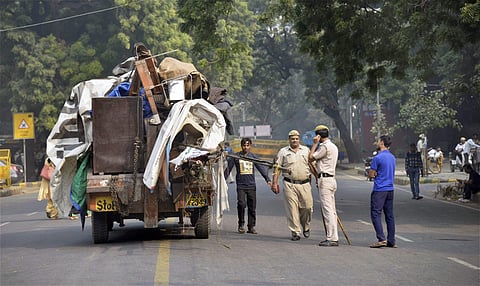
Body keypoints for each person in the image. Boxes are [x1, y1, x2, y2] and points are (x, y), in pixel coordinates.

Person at [271, 130, 313, 241]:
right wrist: (274, 183)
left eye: (296, 138)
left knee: (307, 207)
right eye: (292, 138)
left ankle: (306, 226)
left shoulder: (305, 150)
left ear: (299, 139)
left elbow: (312, 166)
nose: (294, 140)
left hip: (305, 184)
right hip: (289, 184)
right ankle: (295, 231)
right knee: (292, 209)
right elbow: (277, 168)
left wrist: (319, 179)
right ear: (289, 139)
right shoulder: (283, 152)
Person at [224, 138, 271, 234]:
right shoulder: (236, 157)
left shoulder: (253, 157)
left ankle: (251, 226)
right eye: (244, 145)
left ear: (250, 146)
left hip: (251, 185)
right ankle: (241, 224)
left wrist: (267, 179)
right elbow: (228, 169)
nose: (246, 147)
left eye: (247, 145)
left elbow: (261, 167)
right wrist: (223, 180)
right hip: (241, 185)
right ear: (241, 146)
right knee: (241, 204)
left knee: (252, 207)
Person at [308, 125, 339, 247]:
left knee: (328, 211)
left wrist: (314, 144)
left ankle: (331, 238)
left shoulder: (324, 147)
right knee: (332, 210)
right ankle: (333, 236)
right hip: (330, 179)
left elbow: (310, 158)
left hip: (325, 180)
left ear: (319, 136)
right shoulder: (333, 146)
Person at [368, 135, 397, 248]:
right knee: (389, 215)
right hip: (390, 188)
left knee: (376, 213)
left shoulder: (378, 158)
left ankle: (381, 238)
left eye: (379, 141)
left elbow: (371, 173)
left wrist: (374, 174)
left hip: (379, 189)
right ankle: (391, 240)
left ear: (382, 143)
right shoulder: (392, 157)